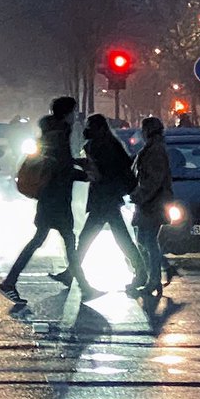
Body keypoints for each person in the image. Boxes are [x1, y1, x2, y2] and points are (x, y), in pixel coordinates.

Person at [0, 97, 99, 304]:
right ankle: (85, 287)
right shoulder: (60, 134)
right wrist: (84, 175)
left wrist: (76, 164)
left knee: (42, 240)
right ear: (67, 113)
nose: (75, 117)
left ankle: (10, 282)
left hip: (49, 197)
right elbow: (61, 169)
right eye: (73, 112)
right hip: (57, 198)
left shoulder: (50, 133)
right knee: (67, 242)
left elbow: (58, 162)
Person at [75, 114, 146, 293]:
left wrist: (85, 165)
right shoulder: (107, 144)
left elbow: (104, 172)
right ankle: (141, 272)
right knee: (119, 237)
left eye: (90, 126)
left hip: (105, 198)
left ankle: (72, 271)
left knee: (88, 238)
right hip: (107, 198)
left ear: (98, 128)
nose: (87, 129)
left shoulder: (103, 147)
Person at [130, 116, 173, 295]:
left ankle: (154, 279)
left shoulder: (155, 150)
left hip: (152, 203)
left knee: (147, 241)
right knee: (145, 240)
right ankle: (154, 277)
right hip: (151, 202)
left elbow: (154, 179)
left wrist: (140, 195)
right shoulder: (153, 148)